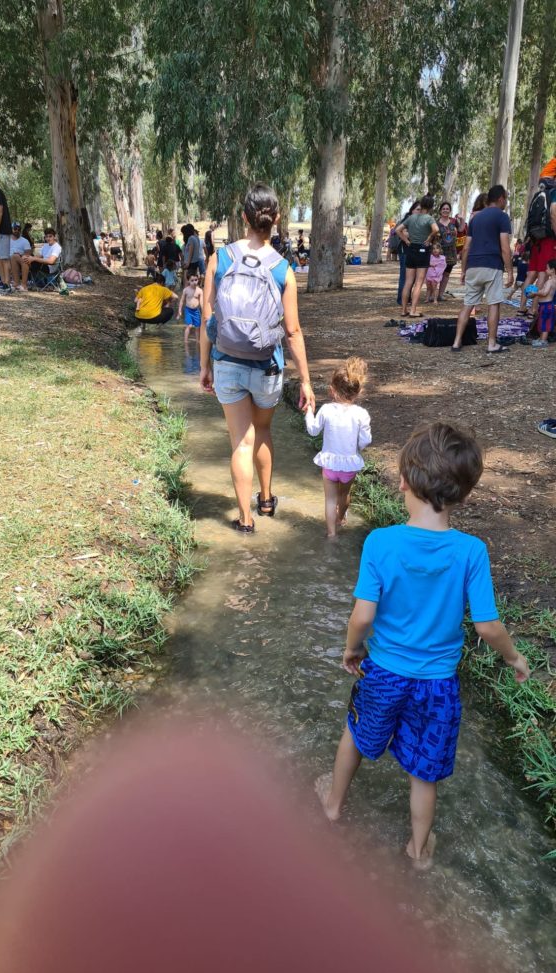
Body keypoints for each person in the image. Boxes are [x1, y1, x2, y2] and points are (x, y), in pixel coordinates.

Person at [315, 422, 530, 869]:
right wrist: (514, 657)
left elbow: (364, 615)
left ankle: (333, 805)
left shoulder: (381, 542)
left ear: (403, 481)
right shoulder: (472, 552)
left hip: (385, 674)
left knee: (355, 734)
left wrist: (352, 649)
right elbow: (488, 626)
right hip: (438, 685)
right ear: (464, 496)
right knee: (424, 771)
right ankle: (417, 852)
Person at [199, 182, 315, 533]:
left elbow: (208, 316)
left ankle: (244, 520)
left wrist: (205, 365)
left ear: (243, 217)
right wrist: (306, 381)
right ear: (276, 219)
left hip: (227, 361)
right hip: (267, 365)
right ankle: (266, 500)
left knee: (241, 441)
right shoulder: (283, 269)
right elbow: (293, 332)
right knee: (262, 430)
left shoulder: (220, 258)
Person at [304, 358, 371, 538]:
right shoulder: (361, 414)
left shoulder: (326, 409)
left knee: (330, 499)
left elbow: (313, 430)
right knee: (344, 496)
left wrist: (309, 411)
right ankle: (341, 519)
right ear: (358, 392)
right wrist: (358, 446)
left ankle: (331, 534)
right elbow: (366, 440)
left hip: (330, 464)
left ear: (332, 390)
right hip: (349, 465)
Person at [452, 185, 513, 354]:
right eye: (506, 199)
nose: (505, 203)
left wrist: (464, 270)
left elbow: (465, 248)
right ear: (501, 198)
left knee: (468, 304)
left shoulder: (475, 219)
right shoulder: (502, 217)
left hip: (473, 265)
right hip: (492, 265)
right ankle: (492, 344)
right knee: (493, 304)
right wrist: (510, 271)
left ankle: (457, 342)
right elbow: (505, 248)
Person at [517, 179, 556, 318]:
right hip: (548, 240)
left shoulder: (538, 195)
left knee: (531, 274)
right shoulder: (552, 195)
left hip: (536, 241)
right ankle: (534, 310)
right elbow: (553, 215)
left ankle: (521, 308)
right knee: (543, 275)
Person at [396, 195, 439, 317]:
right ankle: (413, 310)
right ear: (431, 206)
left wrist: (406, 240)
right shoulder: (429, 218)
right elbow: (436, 230)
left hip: (411, 249)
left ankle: (404, 310)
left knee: (408, 281)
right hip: (423, 249)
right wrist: (429, 238)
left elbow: (398, 230)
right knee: (419, 283)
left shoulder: (412, 217)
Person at [394, 200, 421, 306]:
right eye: (417, 209)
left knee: (412, 276)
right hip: (405, 250)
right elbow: (400, 231)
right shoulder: (408, 219)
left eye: (421, 210)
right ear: (412, 210)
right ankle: (401, 299)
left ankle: (407, 298)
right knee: (404, 275)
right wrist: (407, 240)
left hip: (414, 251)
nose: (419, 212)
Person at [531, 257, 556, 348]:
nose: (546, 270)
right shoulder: (554, 281)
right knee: (544, 322)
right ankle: (541, 338)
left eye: (547, 268)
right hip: (548, 306)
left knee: (545, 324)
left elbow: (545, 293)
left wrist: (536, 293)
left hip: (546, 306)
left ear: (552, 270)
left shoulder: (549, 282)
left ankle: (543, 341)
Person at [435, 201, 457, 300]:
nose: (445, 210)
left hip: (451, 252)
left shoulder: (454, 222)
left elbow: (460, 231)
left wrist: (461, 219)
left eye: (447, 209)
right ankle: (433, 295)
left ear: (450, 211)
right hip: (439, 253)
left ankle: (441, 294)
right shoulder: (436, 223)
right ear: (440, 211)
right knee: (437, 273)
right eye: (443, 209)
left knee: (446, 274)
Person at [177, 271, 203, 348]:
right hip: (188, 310)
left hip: (196, 311)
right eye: (192, 280)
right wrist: (179, 310)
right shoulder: (186, 290)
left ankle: (198, 341)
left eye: (196, 280)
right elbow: (182, 300)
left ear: (198, 280)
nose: (194, 282)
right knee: (189, 326)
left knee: (198, 327)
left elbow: (201, 302)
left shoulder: (199, 291)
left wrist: (203, 311)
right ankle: (185, 341)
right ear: (188, 281)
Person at [9, 221, 33, 290]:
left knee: (17, 256)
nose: (17, 230)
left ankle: (23, 285)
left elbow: (28, 255)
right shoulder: (7, 240)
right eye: (15, 228)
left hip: (21, 260)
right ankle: (16, 283)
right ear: (11, 229)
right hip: (8, 260)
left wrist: (20, 254)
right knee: (13, 257)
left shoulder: (25, 241)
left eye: (19, 229)